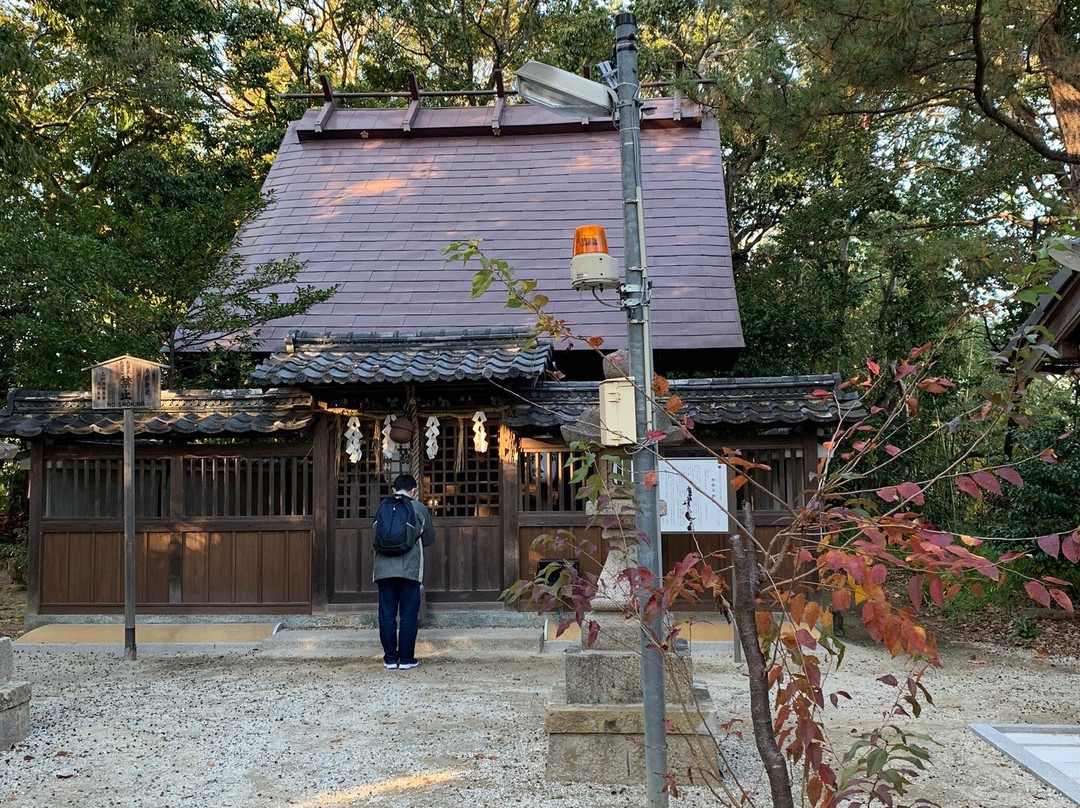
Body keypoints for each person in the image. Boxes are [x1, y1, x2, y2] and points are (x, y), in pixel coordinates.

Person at [373, 473, 435, 670]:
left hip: (383, 569)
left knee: (387, 613)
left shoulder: (382, 507)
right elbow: (429, 538)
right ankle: (407, 659)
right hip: (410, 568)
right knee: (408, 614)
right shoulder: (419, 508)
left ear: (393, 490)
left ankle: (390, 659)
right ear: (414, 490)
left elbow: (375, 536)